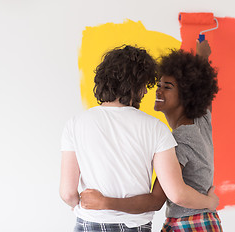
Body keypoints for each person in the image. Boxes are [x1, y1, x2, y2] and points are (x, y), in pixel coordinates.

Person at [59, 45, 219, 232]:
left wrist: (84, 203)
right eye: (149, 85)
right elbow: (172, 194)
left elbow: (67, 193)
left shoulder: (75, 123)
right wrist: (210, 201)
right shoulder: (158, 129)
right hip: (136, 226)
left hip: (87, 223)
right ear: (137, 85)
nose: (149, 92)